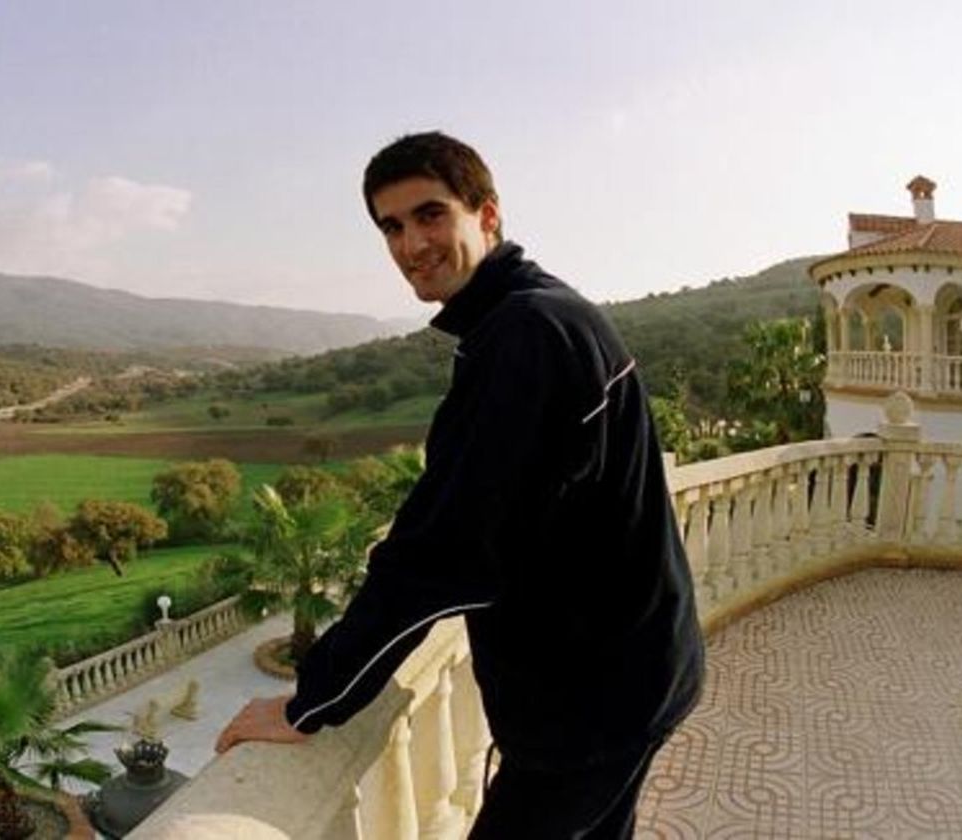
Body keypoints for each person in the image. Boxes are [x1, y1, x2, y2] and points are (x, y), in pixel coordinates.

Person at [215, 131, 704, 839]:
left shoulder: (526, 337)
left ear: (488, 215)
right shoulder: (536, 315)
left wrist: (313, 701)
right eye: (392, 227)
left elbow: (438, 553)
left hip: (593, 703)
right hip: (632, 672)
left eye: (430, 215)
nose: (411, 244)